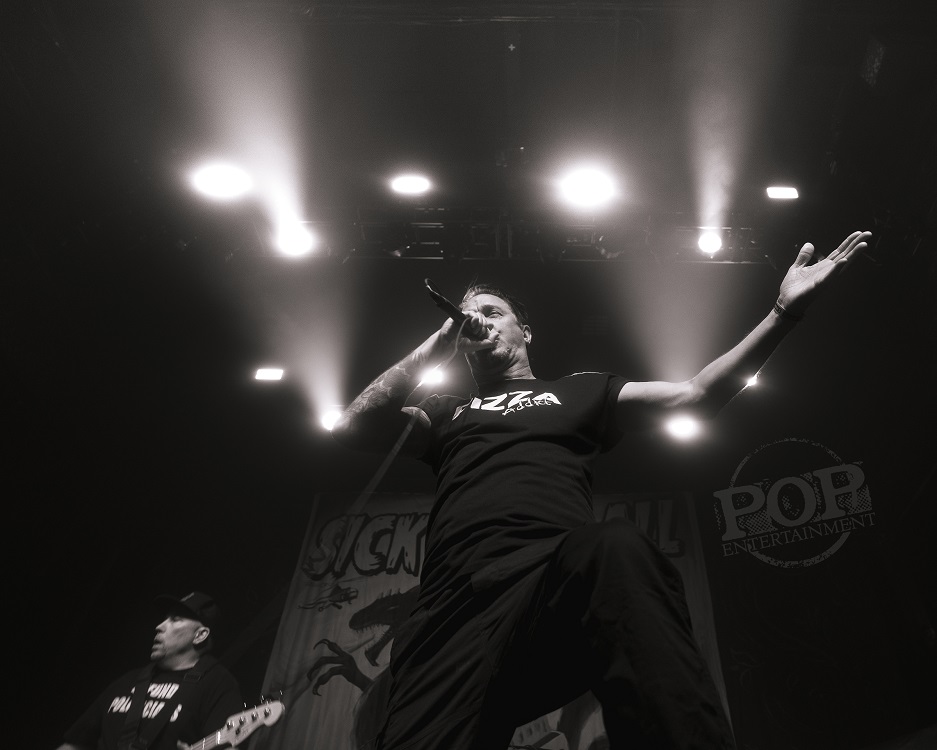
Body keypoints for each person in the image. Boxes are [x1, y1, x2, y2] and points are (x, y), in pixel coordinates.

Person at [330, 230, 871, 750]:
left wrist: (782, 313)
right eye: (469, 316)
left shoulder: (580, 391)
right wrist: (438, 343)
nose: (479, 321)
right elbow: (354, 425)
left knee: (614, 546)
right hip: (451, 614)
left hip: (549, 589)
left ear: (526, 332)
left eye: (493, 313)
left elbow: (696, 394)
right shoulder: (446, 412)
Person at [57, 591, 244, 750]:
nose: (159, 627)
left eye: (175, 620)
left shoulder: (218, 684)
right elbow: (74, 744)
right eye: (164, 620)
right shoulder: (128, 681)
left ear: (200, 635)